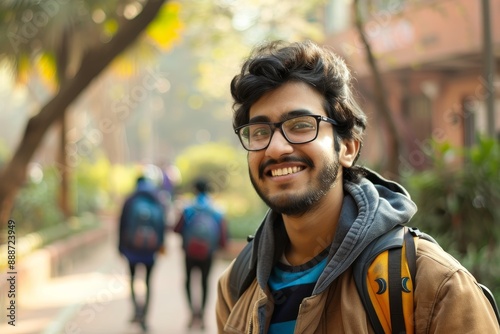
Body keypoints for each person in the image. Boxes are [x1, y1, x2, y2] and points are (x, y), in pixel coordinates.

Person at [216, 40, 500, 333]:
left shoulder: (434, 284)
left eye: (300, 125)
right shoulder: (237, 285)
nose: (276, 148)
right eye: (260, 131)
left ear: (348, 148)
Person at [174, 178, 228, 329]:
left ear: (195, 190)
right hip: (208, 253)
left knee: (188, 281)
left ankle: (192, 313)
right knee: (205, 282)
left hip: (189, 252)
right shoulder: (216, 210)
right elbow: (223, 237)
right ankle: (203, 316)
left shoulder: (188, 208)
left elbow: (176, 229)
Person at [119, 176, 166, 331]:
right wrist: (160, 246)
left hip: (132, 249)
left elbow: (122, 224)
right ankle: (145, 317)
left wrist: (120, 247)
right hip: (150, 251)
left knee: (133, 281)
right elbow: (162, 225)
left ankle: (136, 311)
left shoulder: (130, 200)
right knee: (148, 283)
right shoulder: (157, 200)